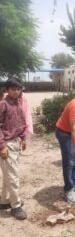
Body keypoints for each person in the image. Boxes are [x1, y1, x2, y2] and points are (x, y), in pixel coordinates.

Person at [0, 78, 27, 220]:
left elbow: (22, 123)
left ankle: (4, 201)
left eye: (18, 89)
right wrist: (2, 146)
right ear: (7, 90)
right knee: (13, 176)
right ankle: (16, 206)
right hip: (6, 145)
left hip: (16, 143)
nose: (16, 92)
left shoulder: (18, 104)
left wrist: (23, 138)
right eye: (13, 89)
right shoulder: (3, 105)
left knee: (8, 174)